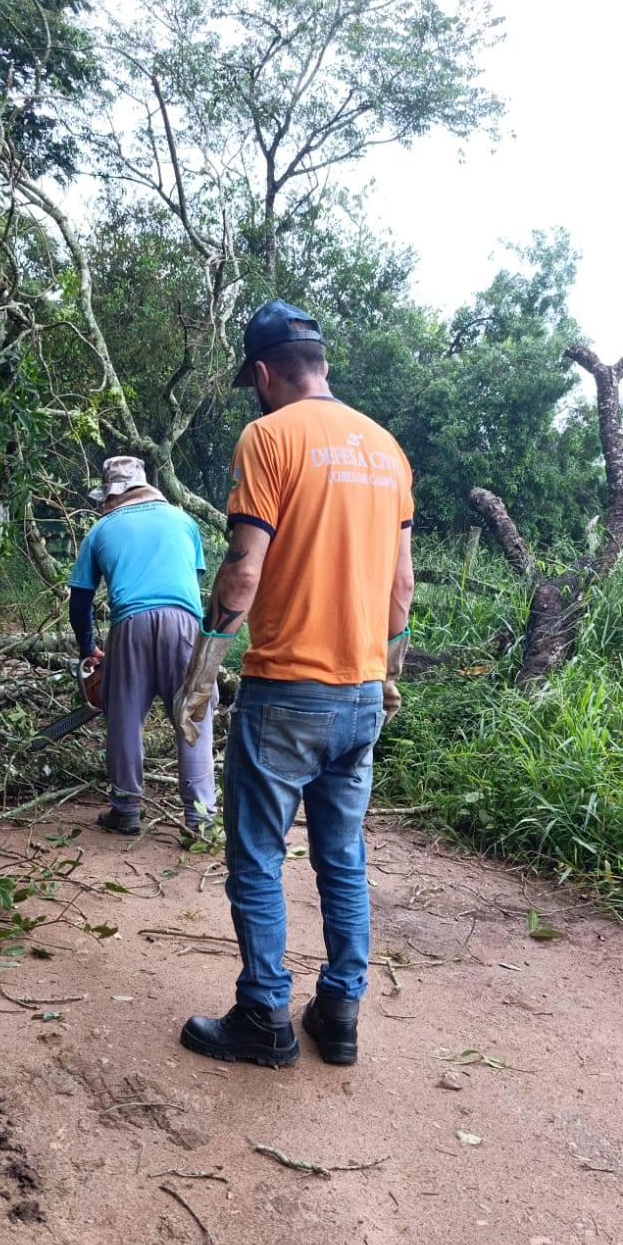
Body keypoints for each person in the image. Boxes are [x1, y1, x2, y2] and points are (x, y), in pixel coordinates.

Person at [173, 302, 414, 1067]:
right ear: (324, 365)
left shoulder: (269, 436)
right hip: (360, 693)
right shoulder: (388, 450)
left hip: (286, 691)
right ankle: (338, 1014)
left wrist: (203, 669)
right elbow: (402, 586)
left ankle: (264, 1017)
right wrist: (387, 670)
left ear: (264, 374)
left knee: (256, 857)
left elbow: (244, 571)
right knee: (342, 858)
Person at [69, 455, 216, 836]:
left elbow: (80, 602)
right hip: (187, 625)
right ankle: (200, 819)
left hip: (130, 624)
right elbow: (190, 579)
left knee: (124, 717)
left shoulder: (101, 530)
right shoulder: (184, 521)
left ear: (112, 495)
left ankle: (126, 808)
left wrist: (88, 648)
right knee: (193, 715)